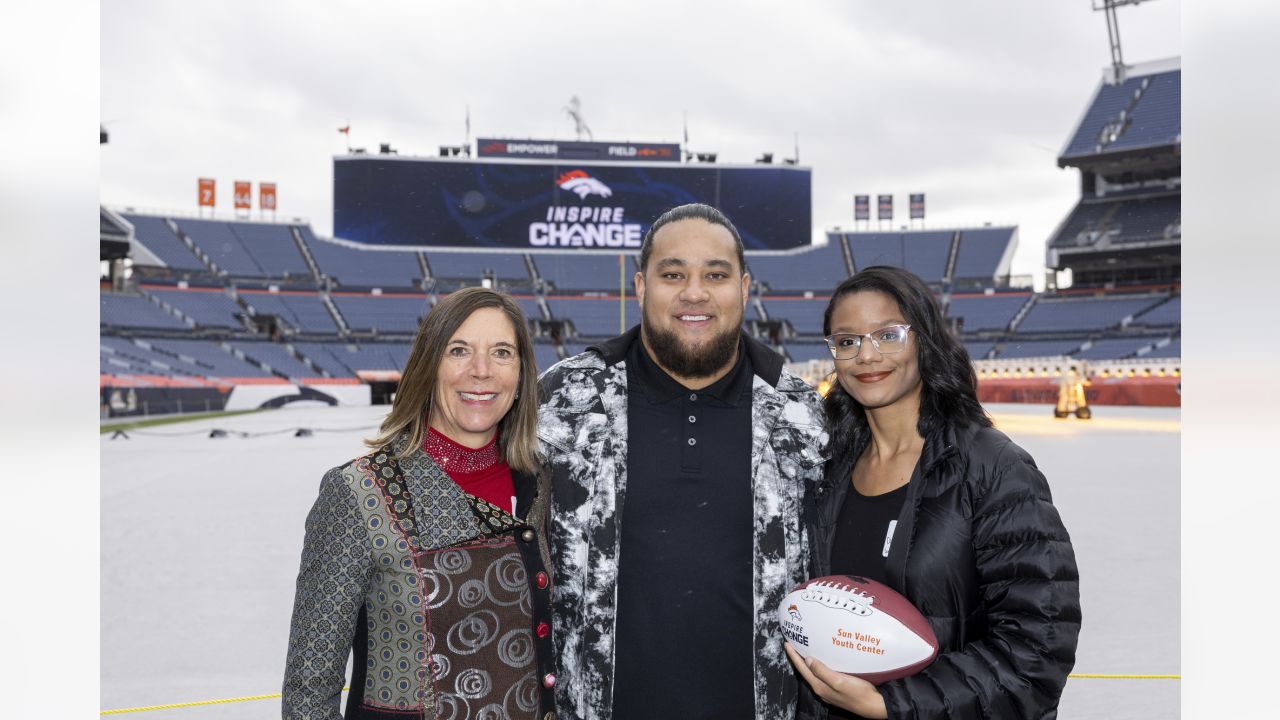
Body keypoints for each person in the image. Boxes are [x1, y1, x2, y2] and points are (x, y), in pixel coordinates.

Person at [538, 203, 828, 720]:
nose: (694, 292)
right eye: (673, 274)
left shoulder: (800, 415)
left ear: (743, 287)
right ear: (641, 287)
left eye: (714, 275)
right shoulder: (567, 400)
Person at [789, 266, 1080, 719]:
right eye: (846, 341)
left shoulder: (992, 468)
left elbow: (1037, 652)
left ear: (923, 338)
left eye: (887, 335)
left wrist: (892, 704)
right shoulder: (825, 470)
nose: (866, 356)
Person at [283, 288, 556, 720]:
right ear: (429, 367)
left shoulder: (540, 484)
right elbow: (309, 690)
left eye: (501, 352)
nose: (481, 371)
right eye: (459, 350)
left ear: (521, 375)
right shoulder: (357, 492)